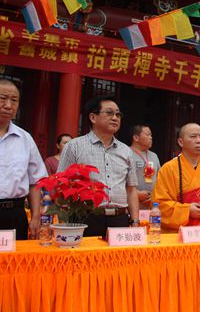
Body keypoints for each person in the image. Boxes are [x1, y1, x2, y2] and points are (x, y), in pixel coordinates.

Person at [58, 95, 139, 237]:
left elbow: (131, 189)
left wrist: (135, 221)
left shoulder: (126, 151)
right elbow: (62, 184)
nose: (115, 118)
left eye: (118, 114)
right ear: (93, 117)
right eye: (109, 113)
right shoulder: (74, 146)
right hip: (85, 217)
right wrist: (63, 221)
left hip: (119, 219)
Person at [0, 79, 47, 240]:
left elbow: (35, 182)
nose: (8, 105)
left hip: (14, 214)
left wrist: (35, 217)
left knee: (16, 262)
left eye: (14, 100)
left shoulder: (25, 139)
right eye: (3, 98)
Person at [129, 124, 161, 210]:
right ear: (136, 138)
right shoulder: (127, 154)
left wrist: (155, 195)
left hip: (152, 204)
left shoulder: (154, 156)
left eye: (151, 135)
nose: (151, 137)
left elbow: (160, 179)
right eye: (147, 134)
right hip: (132, 205)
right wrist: (137, 194)